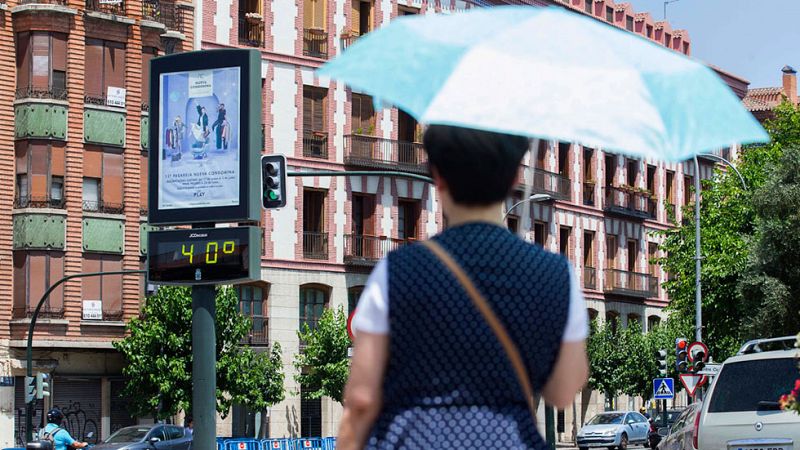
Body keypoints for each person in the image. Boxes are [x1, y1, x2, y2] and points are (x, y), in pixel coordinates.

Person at [338, 125, 590, 449]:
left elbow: (361, 399)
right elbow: (563, 390)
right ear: (515, 177)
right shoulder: (555, 275)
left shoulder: (397, 271)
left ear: (438, 176)